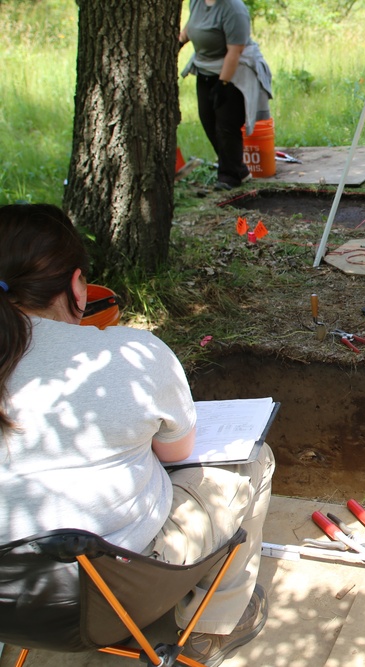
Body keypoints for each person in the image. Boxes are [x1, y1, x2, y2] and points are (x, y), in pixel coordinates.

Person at [0, 204, 274, 667]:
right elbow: (177, 452)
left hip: (10, 604)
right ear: (77, 286)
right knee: (253, 460)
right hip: (111, 596)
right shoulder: (130, 353)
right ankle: (213, 625)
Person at [179, 0, 273, 191]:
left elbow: (235, 51)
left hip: (234, 71)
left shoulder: (233, 9)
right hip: (205, 69)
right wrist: (180, 41)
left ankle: (229, 177)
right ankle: (239, 170)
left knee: (226, 125)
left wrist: (223, 84)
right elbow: (192, 25)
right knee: (207, 120)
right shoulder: (196, 1)